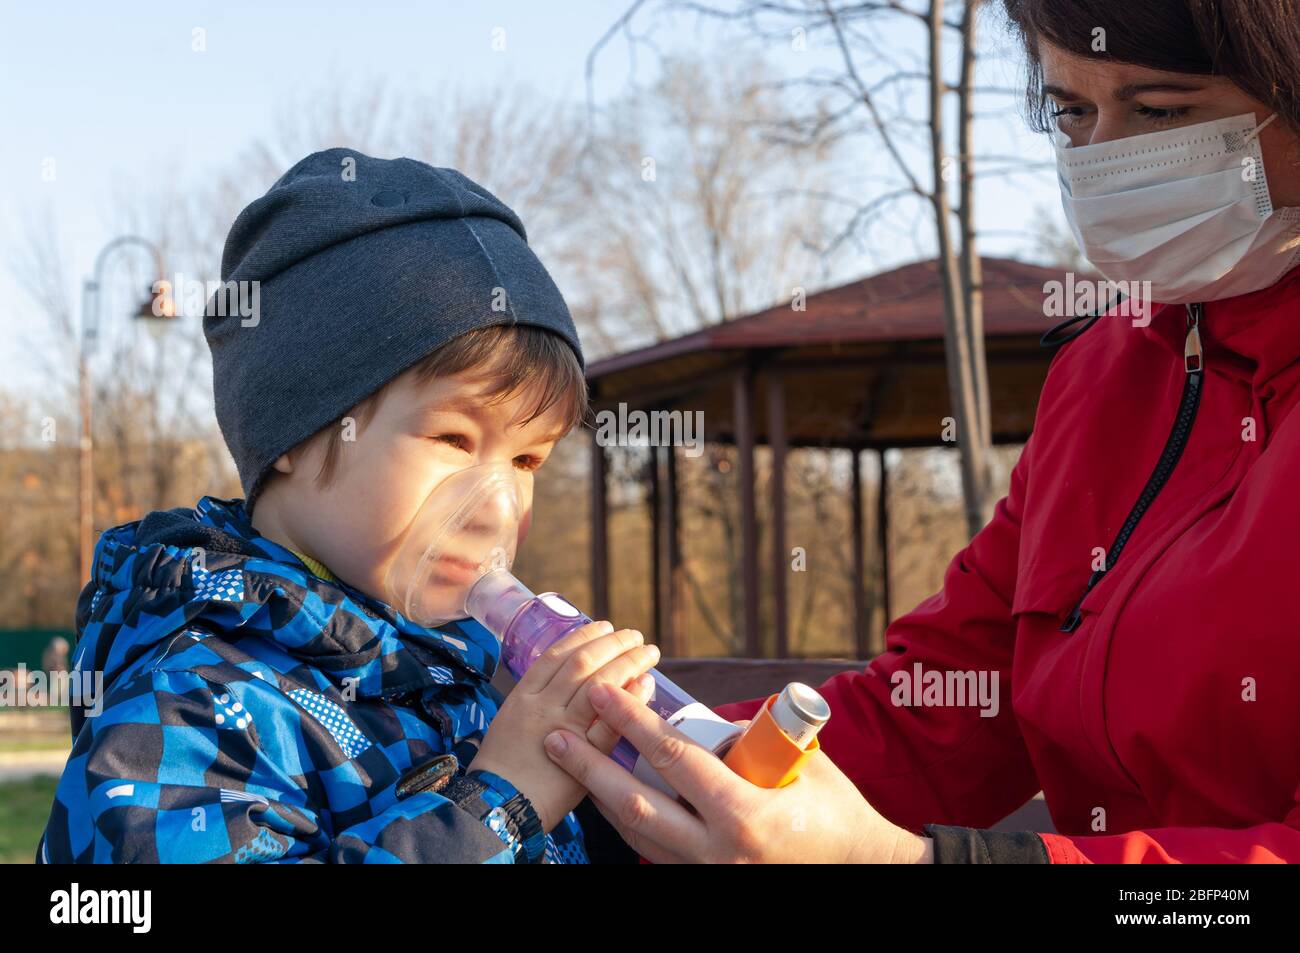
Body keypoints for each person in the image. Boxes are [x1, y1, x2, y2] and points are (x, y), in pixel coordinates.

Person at [543, 0, 1300, 863]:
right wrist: (628, 766)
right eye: (1073, 112)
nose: (1102, 160)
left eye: (1162, 112)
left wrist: (914, 864)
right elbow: (946, 706)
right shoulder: (1103, 378)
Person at [36, 149, 658, 864]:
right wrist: (503, 803)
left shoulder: (458, 686)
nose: (498, 507)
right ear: (298, 430)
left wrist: (643, 816)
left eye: (526, 459)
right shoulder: (185, 707)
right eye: (454, 437)